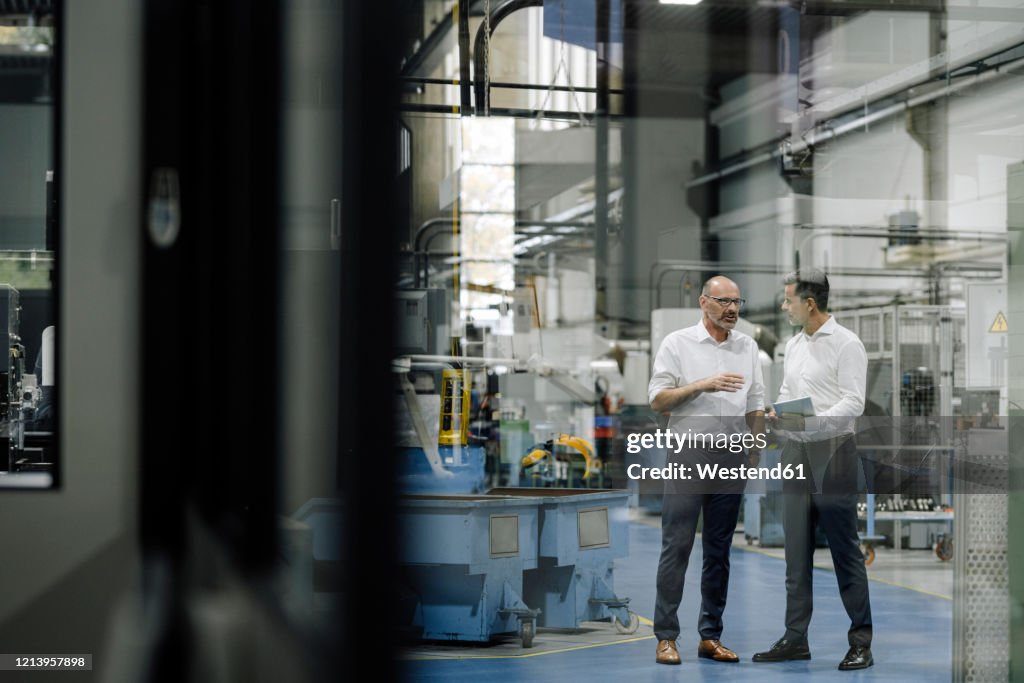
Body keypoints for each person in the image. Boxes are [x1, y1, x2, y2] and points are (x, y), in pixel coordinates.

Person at [752, 269, 873, 671]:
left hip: (833, 453)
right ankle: (795, 638)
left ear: (809, 303)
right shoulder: (794, 345)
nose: (784, 306)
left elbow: (853, 403)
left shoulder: (846, 344)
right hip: (795, 454)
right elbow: (791, 394)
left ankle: (861, 642)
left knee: (844, 551)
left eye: (788, 300)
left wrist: (813, 423)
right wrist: (778, 412)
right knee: (795, 552)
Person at [648, 275, 765, 666]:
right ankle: (666, 636)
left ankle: (710, 636)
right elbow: (658, 399)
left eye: (737, 301)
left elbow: (756, 403)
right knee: (677, 545)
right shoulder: (677, 344)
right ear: (704, 303)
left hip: (731, 457)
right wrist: (703, 384)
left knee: (719, 551)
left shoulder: (748, 347)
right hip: (688, 456)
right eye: (724, 301)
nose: (732, 309)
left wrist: (754, 449)